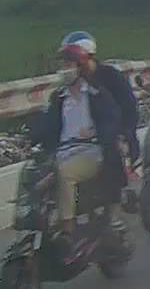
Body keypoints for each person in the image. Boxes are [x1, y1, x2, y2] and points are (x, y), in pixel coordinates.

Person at [29, 34, 127, 261]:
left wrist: (96, 132)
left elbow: (112, 119)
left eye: (68, 65)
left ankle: (68, 229)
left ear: (80, 67)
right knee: (36, 176)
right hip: (62, 152)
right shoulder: (58, 97)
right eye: (62, 65)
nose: (64, 70)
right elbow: (48, 124)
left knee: (64, 174)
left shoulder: (96, 94)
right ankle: (46, 224)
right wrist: (31, 135)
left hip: (90, 153)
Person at [57, 31, 140, 167]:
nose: (67, 68)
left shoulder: (110, 78)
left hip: (111, 145)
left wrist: (122, 136)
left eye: (71, 62)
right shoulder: (68, 89)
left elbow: (129, 109)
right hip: (76, 148)